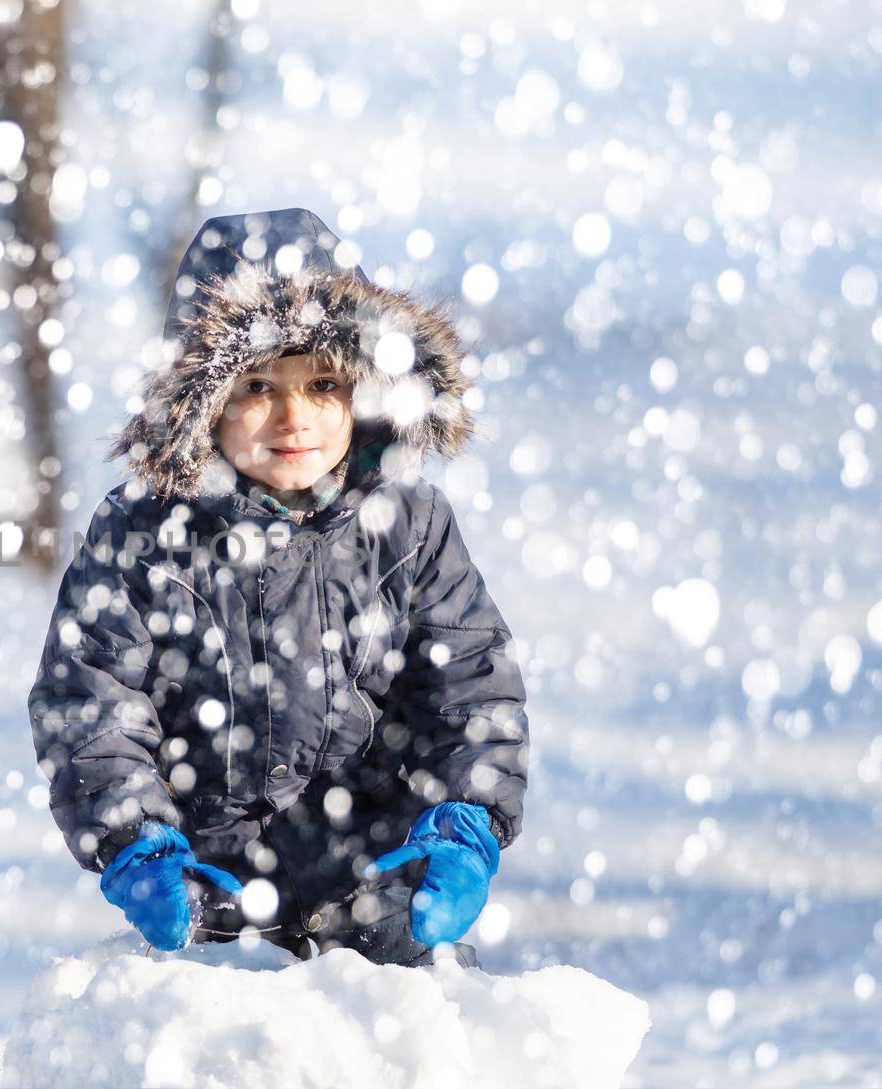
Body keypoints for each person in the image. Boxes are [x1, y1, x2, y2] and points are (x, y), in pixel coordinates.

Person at [27, 207, 529, 968]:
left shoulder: (410, 524)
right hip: (209, 889)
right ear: (204, 403)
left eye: (323, 383)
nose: (295, 417)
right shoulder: (143, 536)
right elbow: (90, 701)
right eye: (259, 384)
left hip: (382, 883)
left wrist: (465, 816)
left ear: (362, 392)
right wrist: (136, 839)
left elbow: (470, 684)